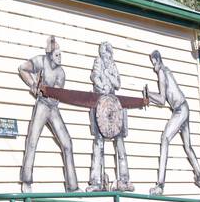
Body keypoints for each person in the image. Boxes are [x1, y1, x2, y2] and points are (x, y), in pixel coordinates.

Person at [18, 37, 79, 192]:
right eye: (56, 54)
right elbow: (22, 68)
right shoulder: (41, 61)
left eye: (60, 54)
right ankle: (26, 180)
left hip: (52, 107)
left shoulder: (61, 72)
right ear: (50, 54)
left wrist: (47, 92)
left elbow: (57, 95)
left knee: (67, 143)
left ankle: (72, 186)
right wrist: (33, 84)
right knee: (32, 140)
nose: (59, 57)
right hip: (41, 105)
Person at [143, 49, 200, 195]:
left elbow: (162, 100)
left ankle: (160, 185)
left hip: (179, 110)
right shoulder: (167, 70)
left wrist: (148, 94)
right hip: (184, 107)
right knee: (188, 146)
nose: (153, 67)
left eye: (154, 63)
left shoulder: (161, 72)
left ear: (158, 61)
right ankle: (199, 176)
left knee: (165, 139)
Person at [88, 41, 133, 192]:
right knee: (98, 143)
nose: (107, 56)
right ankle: (96, 181)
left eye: (109, 54)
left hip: (113, 104)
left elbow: (118, 83)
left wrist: (108, 76)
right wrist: (102, 86)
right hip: (100, 103)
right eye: (104, 53)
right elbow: (94, 76)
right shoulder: (98, 62)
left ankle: (124, 180)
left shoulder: (112, 65)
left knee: (120, 142)